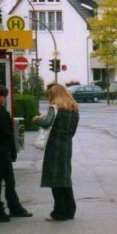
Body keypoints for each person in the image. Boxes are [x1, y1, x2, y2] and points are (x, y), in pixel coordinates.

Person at [34, 83, 80, 221]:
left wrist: (36, 119)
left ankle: (59, 212)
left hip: (54, 145)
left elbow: (47, 123)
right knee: (65, 177)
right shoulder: (74, 109)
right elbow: (73, 131)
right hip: (67, 145)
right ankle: (70, 210)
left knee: (55, 178)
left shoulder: (54, 108)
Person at [0, 83, 32, 222]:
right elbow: (7, 133)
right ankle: (11, 208)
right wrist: (13, 151)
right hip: (1, 151)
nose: (5, 99)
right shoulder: (0, 111)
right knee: (8, 181)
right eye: (4, 96)